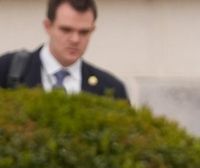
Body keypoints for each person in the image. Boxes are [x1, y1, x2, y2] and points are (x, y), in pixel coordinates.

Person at [0, 0, 128, 100]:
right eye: (66, 30)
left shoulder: (111, 89)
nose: (75, 39)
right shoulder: (7, 70)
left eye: (84, 32)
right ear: (48, 26)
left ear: (92, 30)